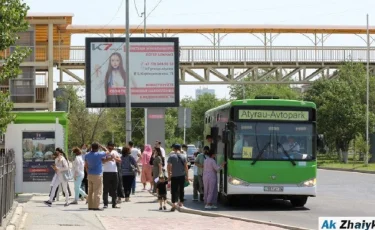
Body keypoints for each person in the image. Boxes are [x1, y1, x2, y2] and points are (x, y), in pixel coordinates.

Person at [84, 142, 109, 211]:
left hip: (90, 174)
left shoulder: (87, 155)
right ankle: (96, 206)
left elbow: (86, 165)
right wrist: (102, 146)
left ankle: (90, 206)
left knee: (90, 191)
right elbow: (107, 152)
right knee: (97, 191)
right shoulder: (99, 154)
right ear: (98, 148)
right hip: (97, 174)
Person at [167, 144, 188, 211]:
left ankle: (174, 204)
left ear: (174, 149)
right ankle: (181, 203)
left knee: (174, 190)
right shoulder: (183, 156)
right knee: (181, 189)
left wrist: (169, 175)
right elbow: (186, 167)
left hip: (174, 176)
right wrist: (187, 176)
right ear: (180, 148)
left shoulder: (171, 156)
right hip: (182, 176)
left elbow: (169, 166)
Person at [102, 142, 121, 209]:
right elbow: (102, 161)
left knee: (114, 189)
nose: (111, 148)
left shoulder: (115, 152)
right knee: (106, 189)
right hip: (106, 172)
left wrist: (114, 158)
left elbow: (119, 160)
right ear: (107, 146)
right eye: (109, 147)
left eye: (112, 147)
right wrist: (109, 159)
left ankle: (114, 204)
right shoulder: (104, 152)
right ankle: (105, 204)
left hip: (114, 172)